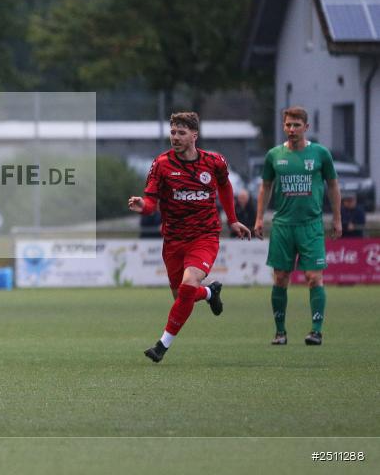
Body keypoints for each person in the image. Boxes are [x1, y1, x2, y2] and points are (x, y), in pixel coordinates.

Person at [128, 112, 251, 363]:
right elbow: (151, 202)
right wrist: (143, 206)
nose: (175, 137)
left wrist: (232, 219)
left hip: (205, 236)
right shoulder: (161, 164)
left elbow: (225, 186)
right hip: (173, 239)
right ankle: (209, 293)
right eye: (173, 132)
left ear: (195, 135)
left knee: (187, 286)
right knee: (182, 297)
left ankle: (161, 346)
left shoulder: (214, 162)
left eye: (181, 133)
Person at [254, 106, 341, 346]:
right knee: (281, 278)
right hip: (283, 226)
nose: (291, 129)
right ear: (283, 126)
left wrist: (337, 218)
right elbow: (265, 187)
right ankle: (280, 332)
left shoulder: (320, 154)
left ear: (306, 127)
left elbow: (333, 185)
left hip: (311, 225)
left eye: (296, 125)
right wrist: (259, 218)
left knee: (313, 277)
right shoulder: (274, 155)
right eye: (288, 125)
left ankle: (316, 331)